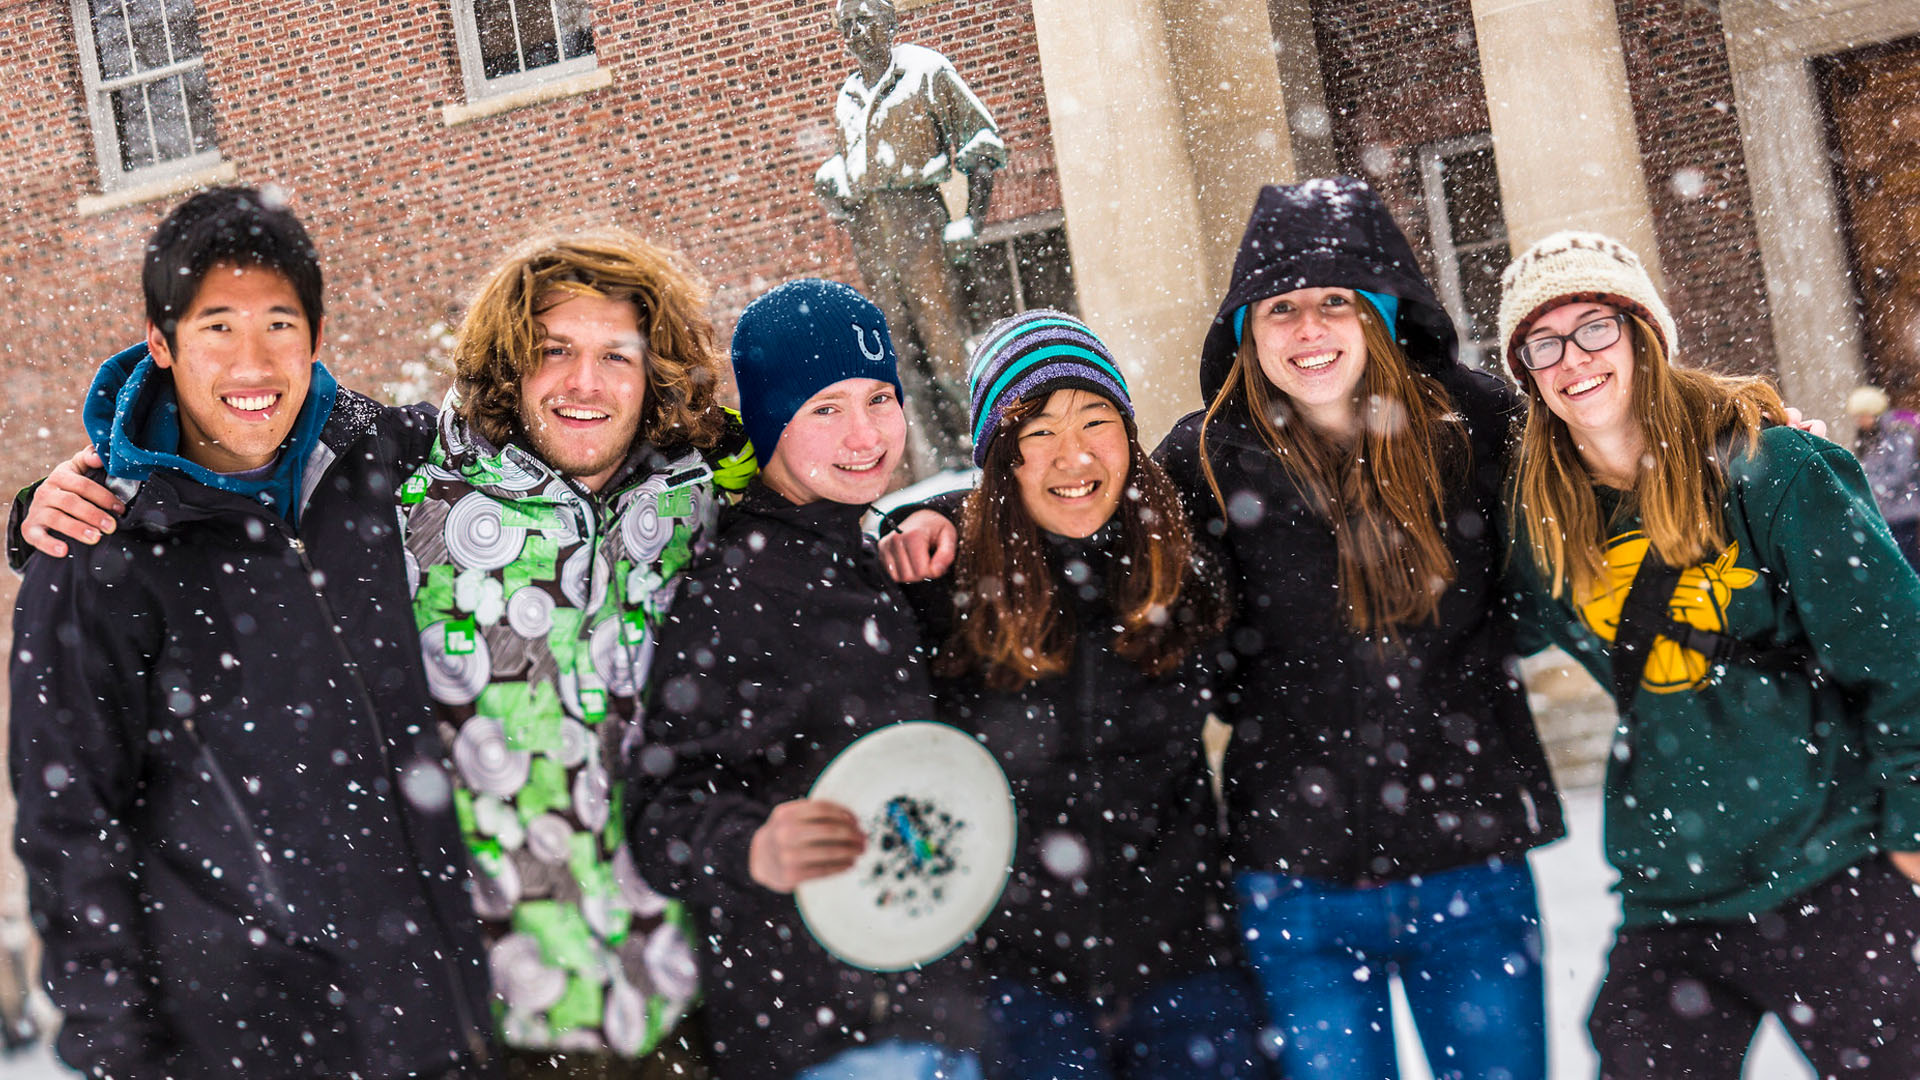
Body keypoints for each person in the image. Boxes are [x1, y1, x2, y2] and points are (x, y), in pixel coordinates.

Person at [8, 187, 495, 1078]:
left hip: (440, 1018)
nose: (254, 360)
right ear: (162, 343)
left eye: (279, 322)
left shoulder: (388, 467)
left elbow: (578, 449)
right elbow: (69, 820)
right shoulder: (93, 553)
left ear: (315, 335)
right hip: (245, 1042)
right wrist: (117, 1052)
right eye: (217, 326)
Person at [1153, 177, 1564, 1080]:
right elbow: (1080, 521)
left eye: (1335, 301)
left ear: (1380, 311)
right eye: (1282, 308)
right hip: (1297, 890)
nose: (1308, 330)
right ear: (1246, 331)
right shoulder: (1202, 461)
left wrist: (1746, 435)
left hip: (1472, 865)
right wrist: (943, 511)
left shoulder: (1477, 424)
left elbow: (1615, 461)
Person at [1498, 230, 1920, 1080]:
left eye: (1595, 327)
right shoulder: (1541, 524)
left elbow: (1898, 656)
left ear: (1643, 333)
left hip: (1827, 863)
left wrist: (1914, 825)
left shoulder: (1774, 471)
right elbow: (1476, 626)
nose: (1571, 357)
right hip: (1670, 895)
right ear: (1526, 375)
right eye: (1542, 343)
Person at [396, 229, 754, 1078]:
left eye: (615, 357)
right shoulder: (409, 505)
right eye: (554, 351)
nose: (584, 383)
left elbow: (837, 507)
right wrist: (59, 500)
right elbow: (227, 496)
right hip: (495, 1023)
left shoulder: (706, 504)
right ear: (510, 368)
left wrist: (921, 523)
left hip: (683, 1004)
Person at [629, 279, 983, 1080]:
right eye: (824, 408)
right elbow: (660, 814)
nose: (864, 433)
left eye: (879, 398)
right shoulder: (735, 591)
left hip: (930, 1003)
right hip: (818, 1035)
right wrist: (754, 847)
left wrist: (945, 516)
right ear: (770, 423)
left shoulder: (861, 549)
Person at [905, 310, 1269, 1079]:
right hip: (1019, 981)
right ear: (1000, 460)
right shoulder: (946, 593)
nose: (1072, 455)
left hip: (1188, 964)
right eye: (1037, 431)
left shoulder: (1191, 574)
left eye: (1096, 420)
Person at [815, 0, 1007, 472]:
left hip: (918, 218)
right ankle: (944, 462)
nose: (858, 32)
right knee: (901, 356)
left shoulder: (926, 71)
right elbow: (852, 165)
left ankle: (987, 452)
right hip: (869, 231)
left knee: (946, 348)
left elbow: (980, 140)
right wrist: (835, 183)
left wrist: (971, 219)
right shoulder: (847, 95)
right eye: (848, 25)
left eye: (867, 20)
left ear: (891, 24)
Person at [1845, 383, 1920, 571]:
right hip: (1884, 513)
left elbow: (1902, 472)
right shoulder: (1868, 438)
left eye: (1863, 415)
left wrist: (1870, 486)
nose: (1860, 421)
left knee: (1908, 562)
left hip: (1903, 512)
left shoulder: (1897, 434)